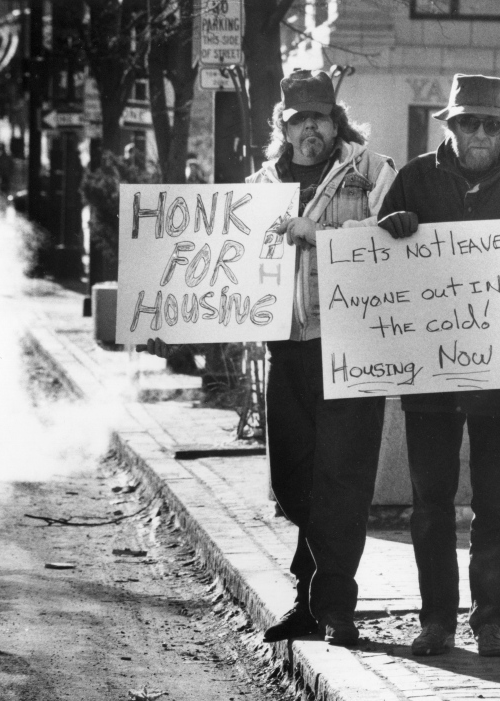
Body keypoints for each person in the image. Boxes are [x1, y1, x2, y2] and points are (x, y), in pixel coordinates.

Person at [144, 69, 396, 647]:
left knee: (343, 479)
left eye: (321, 118)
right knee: (291, 481)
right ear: (282, 126)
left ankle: (331, 606)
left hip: (351, 347)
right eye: (299, 119)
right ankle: (315, 595)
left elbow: (392, 244)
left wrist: (319, 236)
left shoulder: (373, 174)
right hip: (287, 350)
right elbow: (227, 266)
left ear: (337, 123)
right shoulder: (258, 188)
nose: (311, 129)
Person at [377, 73, 500, 658]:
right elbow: (375, 266)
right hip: (430, 376)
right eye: (470, 122)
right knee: (431, 500)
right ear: (452, 127)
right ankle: (436, 619)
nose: (481, 132)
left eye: (493, 123)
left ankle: (491, 618)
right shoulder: (413, 178)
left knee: (496, 500)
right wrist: (392, 231)